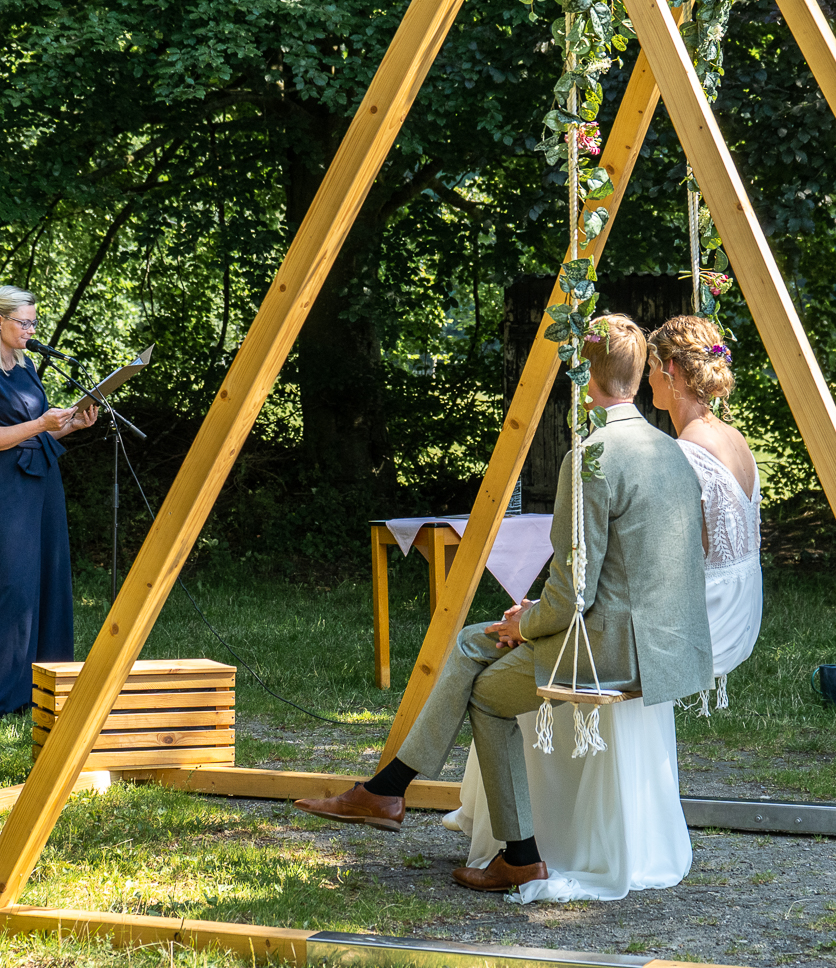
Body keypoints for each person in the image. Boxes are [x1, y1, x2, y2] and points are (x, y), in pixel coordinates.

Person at [293, 314, 713, 892]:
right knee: (472, 642)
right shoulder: (672, 453)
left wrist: (529, 622)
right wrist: (531, 617)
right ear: (639, 380)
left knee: (487, 697)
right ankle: (386, 790)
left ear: (581, 378)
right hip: (666, 642)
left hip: (611, 647)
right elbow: (620, 572)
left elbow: (573, 599)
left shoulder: (590, 459)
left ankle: (510, 850)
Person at [0, 286, 96, 724]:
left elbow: (38, 433)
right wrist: (40, 421)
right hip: (7, 487)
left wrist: (72, 423)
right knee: (14, 588)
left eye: (35, 322)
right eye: (24, 322)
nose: (31, 330)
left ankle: (43, 691)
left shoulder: (28, 366)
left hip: (43, 481)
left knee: (49, 582)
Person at [647, 316, 762, 702]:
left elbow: (671, 561)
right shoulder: (734, 437)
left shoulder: (685, 453)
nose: (647, 381)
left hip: (713, 620)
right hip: (745, 607)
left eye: (651, 368)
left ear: (671, 371)